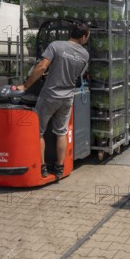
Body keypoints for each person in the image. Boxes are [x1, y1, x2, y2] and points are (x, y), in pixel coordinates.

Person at [17, 23, 90, 178]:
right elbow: (75, 75)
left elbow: (42, 67)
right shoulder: (84, 55)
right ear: (83, 37)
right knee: (61, 133)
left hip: (50, 96)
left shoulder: (56, 45)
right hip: (67, 98)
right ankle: (59, 168)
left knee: (38, 132)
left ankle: (42, 167)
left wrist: (25, 86)